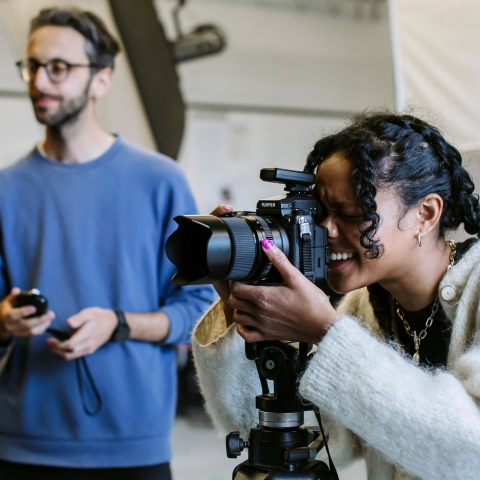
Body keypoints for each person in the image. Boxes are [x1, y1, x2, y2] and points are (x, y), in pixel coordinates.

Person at [192, 113, 480, 480]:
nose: (325, 229)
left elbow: (470, 451)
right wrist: (241, 310)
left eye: (348, 212)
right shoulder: (366, 307)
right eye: (321, 211)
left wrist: (329, 333)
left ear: (425, 214)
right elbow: (306, 439)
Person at [0, 7, 214, 480]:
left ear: (101, 79)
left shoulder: (160, 182)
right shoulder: (5, 190)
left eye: (59, 67)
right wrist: (5, 321)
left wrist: (118, 324)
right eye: (33, 66)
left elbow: (199, 312)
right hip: (23, 445)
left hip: (133, 449)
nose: (40, 80)